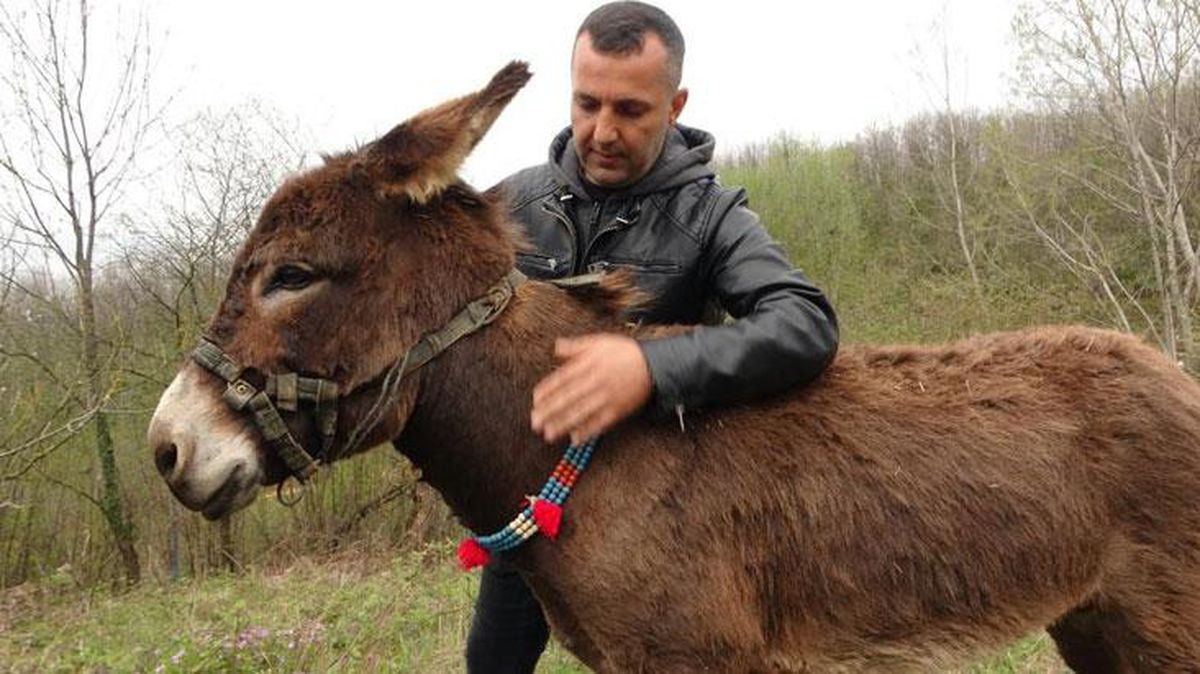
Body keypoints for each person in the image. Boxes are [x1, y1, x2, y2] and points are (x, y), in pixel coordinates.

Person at [466, 2, 839, 671]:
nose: (601, 131)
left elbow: (804, 323)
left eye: (631, 110)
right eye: (586, 103)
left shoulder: (712, 215)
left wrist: (650, 368)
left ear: (674, 105)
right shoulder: (510, 208)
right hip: (529, 505)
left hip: (655, 521)